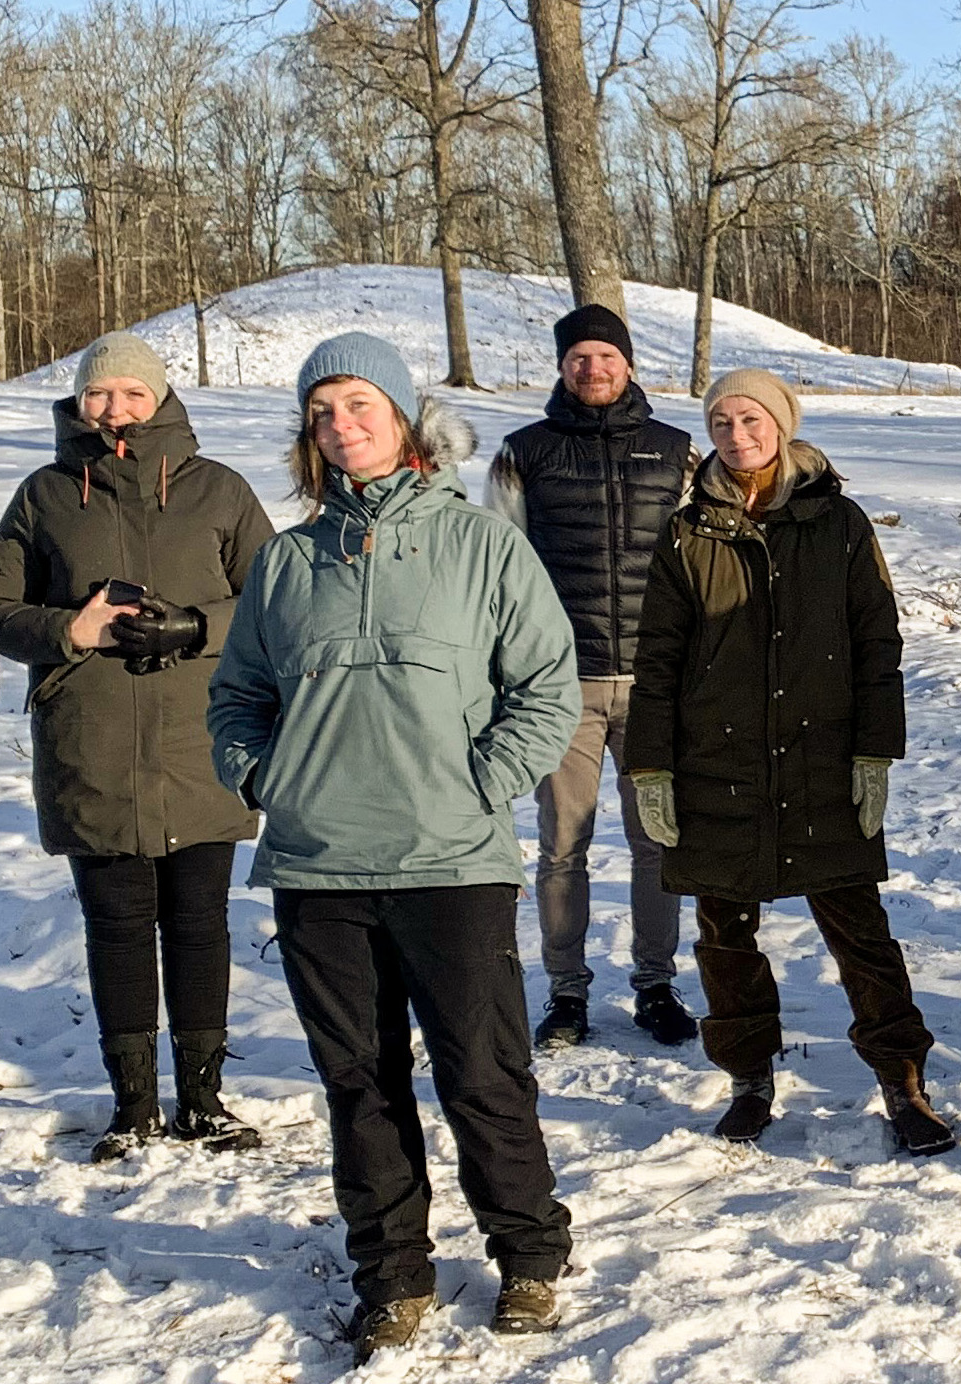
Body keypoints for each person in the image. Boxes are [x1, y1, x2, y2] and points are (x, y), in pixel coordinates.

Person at [205, 333, 581, 1358]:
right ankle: (392, 1270)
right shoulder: (287, 563)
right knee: (359, 1082)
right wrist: (262, 775)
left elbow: (547, 686)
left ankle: (531, 1254)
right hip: (320, 866)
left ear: (404, 415)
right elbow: (237, 695)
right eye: (321, 411)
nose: (340, 423)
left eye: (358, 403)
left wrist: (480, 780)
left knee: (483, 1072)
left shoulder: (482, 546)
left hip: (449, 860)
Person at [620, 367, 956, 1155]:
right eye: (722, 422)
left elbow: (879, 643)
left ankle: (902, 1079)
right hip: (719, 762)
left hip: (821, 760)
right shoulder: (686, 532)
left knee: (860, 930)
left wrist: (876, 749)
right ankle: (748, 1077)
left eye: (752, 420)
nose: (738, 436)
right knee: (724, 934)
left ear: (782, 423)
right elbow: (659, 657)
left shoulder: (838, 522)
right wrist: (651, 766)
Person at [0, 331, 276, 1163]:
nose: (116, 409)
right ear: (79, 403)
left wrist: (195, 626)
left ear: (161, 400)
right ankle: (133, 1104)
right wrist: (68, 628)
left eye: (132, 394)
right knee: (115, 926)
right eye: (100, 394)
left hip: (202, 741)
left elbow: (276, 601)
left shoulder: (218, 490)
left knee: (198, 924)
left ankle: (204, 1098)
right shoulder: (43, 496)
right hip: (93, 742)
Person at [489, 304, 701, 1051]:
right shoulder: (524, 453)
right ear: (560, 368)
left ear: (630, 364)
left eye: (606, 357)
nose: (593, 369)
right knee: (562, 846)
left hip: (652, 683)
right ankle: (567, 992)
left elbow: (699, 569)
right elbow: (500, 568)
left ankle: (655, 983)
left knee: (657, 842)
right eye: (579, 358)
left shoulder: (678, 454)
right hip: (562, 686)